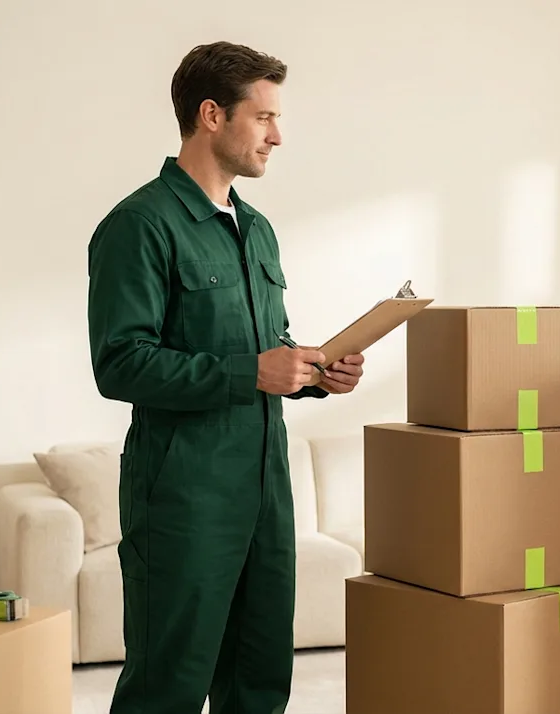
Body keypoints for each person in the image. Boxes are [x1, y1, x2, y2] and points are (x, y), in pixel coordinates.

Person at [85, 41, 363, 714]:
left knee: (260, 680)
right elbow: (119, 361)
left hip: (265, 490)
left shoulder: (257, 231)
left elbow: (267, 352)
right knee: (166, 686)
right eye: (263, 116)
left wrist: (313, 373)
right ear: (212, 115)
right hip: (184, 498)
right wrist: (253, 371)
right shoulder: (140, 226)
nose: (277, 135)